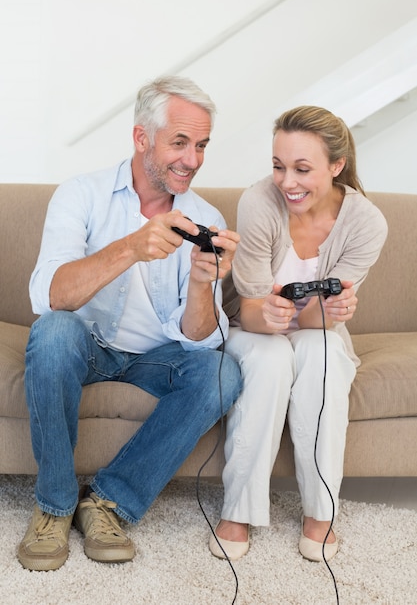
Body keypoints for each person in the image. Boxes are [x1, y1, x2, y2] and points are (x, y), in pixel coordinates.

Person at [18, 75, 242, 572]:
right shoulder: (81, 194)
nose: (193, 159)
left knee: (224, 372)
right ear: (142, 138)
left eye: (201, 145)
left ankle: (107, 502)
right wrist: (131, 248)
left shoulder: (204, 216)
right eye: (179, 142)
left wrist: (204, 282)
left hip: (155, 359)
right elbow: (51, 295)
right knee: (53, 333)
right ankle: (54, 505)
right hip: (87, 346)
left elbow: (201, 341)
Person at [209, 105, 388, 562]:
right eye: (278, 166)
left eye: (302, 169)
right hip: (251, 325)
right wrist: (272, 315)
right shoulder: (258, 202)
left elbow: (321, 320)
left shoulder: (366, 222)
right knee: (271, 360)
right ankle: (238, 511)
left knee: (322, 354)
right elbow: (248, 306)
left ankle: (320, 512)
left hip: (315, 331)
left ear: (336, 166)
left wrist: (332, 311)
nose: (287, 182)